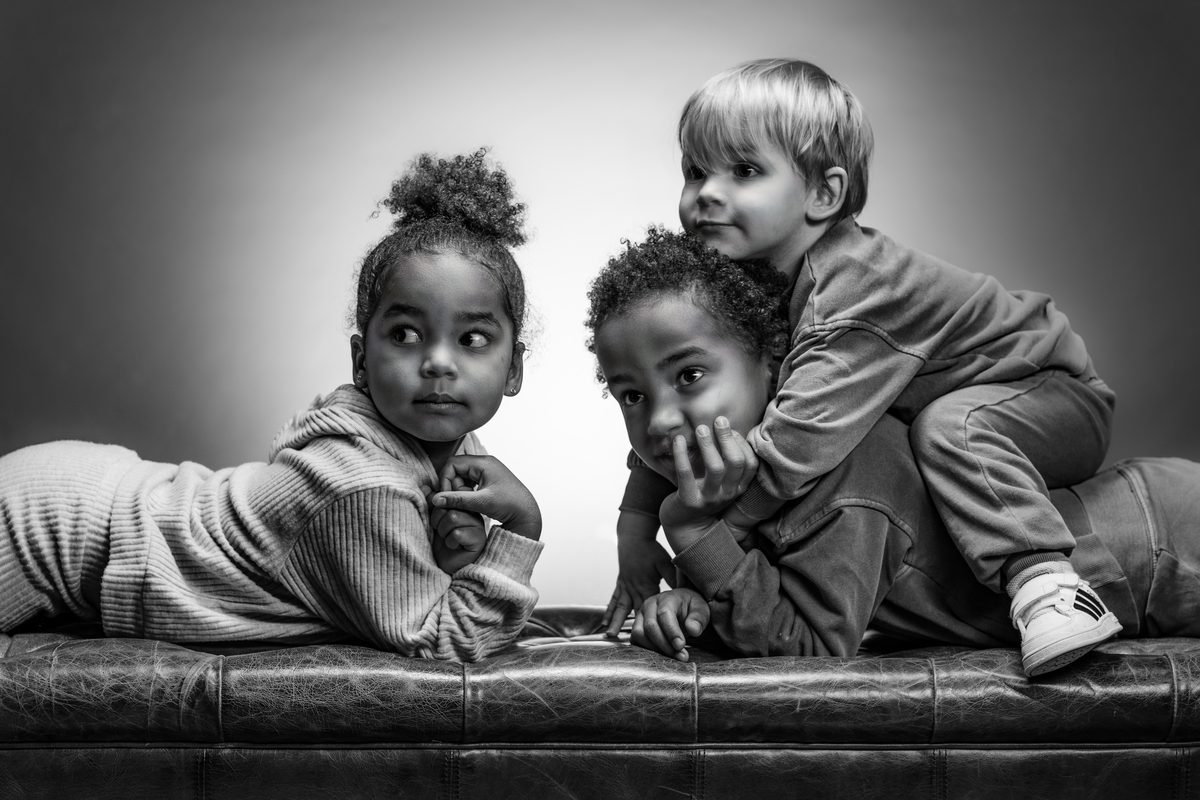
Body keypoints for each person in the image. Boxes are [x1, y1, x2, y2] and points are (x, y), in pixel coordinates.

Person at [609, 58, 1120, 676]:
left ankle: (1049, 587)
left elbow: (793, 451)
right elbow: (683, 422)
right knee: (924, 437)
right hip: (975, 403)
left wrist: (708, 533)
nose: (707, 193)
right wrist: (634, 530)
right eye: (696, 171)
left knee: (950, 429)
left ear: (824, 194)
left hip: (1045, 392)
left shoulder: (851, 294)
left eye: (744, 171)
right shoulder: (755, 285)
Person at [0, 149, 544, 662]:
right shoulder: (362, 484)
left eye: (472, 339)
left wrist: (457, 560)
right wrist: (520, 526)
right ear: (360, 360)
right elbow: (442, 646)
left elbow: (414, 593)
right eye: (404, 334)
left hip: (98, 499)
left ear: (513, 367)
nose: (438, 363)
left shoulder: (446, 443)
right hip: (53, 531)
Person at [587, 228, 1199, 665]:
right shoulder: (734, 468)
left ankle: (1046, 583)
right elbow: (778, 593)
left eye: (690, 376)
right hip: (1148, 522)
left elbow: (814, 646)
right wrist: (692, 606)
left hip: (1153, 546)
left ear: (774, 362)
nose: (662, 419)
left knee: (952, 425)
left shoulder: (837, 469)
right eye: (630, 396)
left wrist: (692, 533)